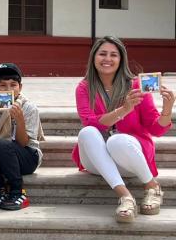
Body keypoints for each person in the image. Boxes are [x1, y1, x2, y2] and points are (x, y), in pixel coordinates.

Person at [72, 36, 173, 222]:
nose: (107, 59)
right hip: (97, 160)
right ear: (93, 57)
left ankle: (152, 187)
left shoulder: (135, 86)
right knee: (87, 132)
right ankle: (125, 197)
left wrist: (167, 110)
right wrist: (124, 109)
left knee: (116, 140)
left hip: (129, 156)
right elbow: (90, 122)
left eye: (113, 55)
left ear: (121, 60)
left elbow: (155, 129)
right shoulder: (84, 88)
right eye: (102, 54)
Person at [0, 63, 45, 211]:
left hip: (27, 157)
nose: (8, 90)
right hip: (2, 156)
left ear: (20, 87)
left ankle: (17, 192)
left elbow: (24, 143)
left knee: (2, 144)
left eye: (13, 85)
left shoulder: (28, 107)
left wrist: (19, 120)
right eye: (3, 85)